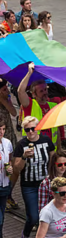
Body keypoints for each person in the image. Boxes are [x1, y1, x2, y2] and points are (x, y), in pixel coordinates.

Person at [13, 116, 55, 238]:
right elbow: (17, 168)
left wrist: (53, 177)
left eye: (33, 129)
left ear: (38, 128)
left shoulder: (46, 141)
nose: (31, 132)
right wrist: (24, 157)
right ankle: (25, 234)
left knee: (45, 215)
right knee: (33, 216)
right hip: (29, 185)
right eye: (27, 130)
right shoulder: (21, 145)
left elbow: (53, 159)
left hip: (45, 184)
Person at [18, 62, 66, 152]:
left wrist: (59, 150)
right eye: (41, 91)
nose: (45, 93)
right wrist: (29, 73)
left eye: (45, 89)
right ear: (34, 94)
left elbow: (56, 131)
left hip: (50, 150)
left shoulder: (53, 106)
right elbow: (20, 91)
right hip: (34, 150)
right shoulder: (30, 104)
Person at [0, 77, 19, 211]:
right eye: (4, 89)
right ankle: (5, 196)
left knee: (14, 168)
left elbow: (14, 112)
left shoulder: (5, 99)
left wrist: (5, 98)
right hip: (2, 139)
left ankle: (7, 194)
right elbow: (12, 112)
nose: (7, 91)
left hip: (9, 136)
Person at [0, 115, 14, 238]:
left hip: (4, 186)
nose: (1, 132)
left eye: (3, 129)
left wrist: (10, 169)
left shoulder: (7, 143)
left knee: (1, 220)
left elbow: (9, 164)